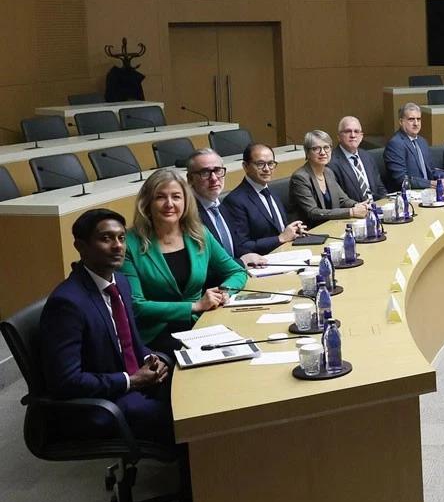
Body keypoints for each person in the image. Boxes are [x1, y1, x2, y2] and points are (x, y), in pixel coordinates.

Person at [39, 208, 175, 444]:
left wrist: (153, 359)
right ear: (81, 246)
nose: (118, 246)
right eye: (106, 238)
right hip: (102, 402)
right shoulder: (67, 303)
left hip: (130, 382)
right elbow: (65, 381)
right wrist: (130, 381)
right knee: (184, 417)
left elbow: (131, 342)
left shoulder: (120, 282)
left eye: (121, 238)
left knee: (195, 389)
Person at [121, 169, 248, 352]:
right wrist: (194, 306)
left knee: (241, 346)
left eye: (176, 197)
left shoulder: (199, 234)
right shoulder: (130, 244)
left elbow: (236, 271)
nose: (169, 204)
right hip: (157, 333)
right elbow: (136, 306)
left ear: (185, 201)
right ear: (147, 202)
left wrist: (224, 291)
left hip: (200, 324)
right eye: (160, 197)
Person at [186, 148, 268, 268]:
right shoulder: (188, 216)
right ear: (190, 179)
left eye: (218, 171)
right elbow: (204, 266)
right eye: (205, 173)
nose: (214, 178)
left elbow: (236, 247)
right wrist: (241, 262)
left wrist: (250, 258)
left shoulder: (222, 207)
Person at [222, 143, 308, 257]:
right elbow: (241, 246)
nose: (267, 169)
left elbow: (279, 229)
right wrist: (280, 238)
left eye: (271, 163)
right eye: (260, 164)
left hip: (286, 253)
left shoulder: (271, 191)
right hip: (262, 262)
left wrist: (293, 231)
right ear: (245, 166)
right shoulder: (235, 201)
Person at [288, 130, 370, 227]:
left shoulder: (328, 172)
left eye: (326, 147)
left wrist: (358, 205)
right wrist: (351, 212)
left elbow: (343, 200)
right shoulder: (300, 178)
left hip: (331, 226)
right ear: (307, 152)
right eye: (316, 149)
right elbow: (313, 212)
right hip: (310, 231)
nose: (323, 152)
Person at [383, 102, 444, 189]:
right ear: (401, 122)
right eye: (411, 119)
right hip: (408, 195)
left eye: (418, 119)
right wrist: (432, 183)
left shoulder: (422, 141)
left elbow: (431, 170)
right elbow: (402, 179)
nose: (416, 123)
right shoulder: (395, 144)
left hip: (428, 193)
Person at [327, 116, 387, 201]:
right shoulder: (331, 163)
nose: (353, 135)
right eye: (348, 131)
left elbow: (380, 187)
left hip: (376, 208)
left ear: (361, 136)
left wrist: (386, 204)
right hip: (353, 211)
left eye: (356, 131)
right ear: (339, 136)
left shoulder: (367, 156)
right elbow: (338, 199)